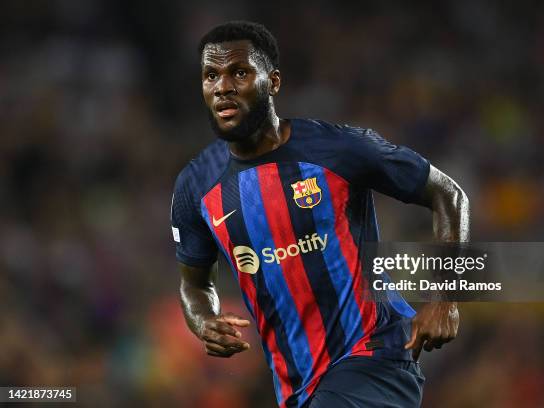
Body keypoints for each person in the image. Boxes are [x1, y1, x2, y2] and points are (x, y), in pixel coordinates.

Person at [170, 21, 469, 408]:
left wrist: (446, 297)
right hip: (299, 387)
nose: (222, 86)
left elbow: (449, 195)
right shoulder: (196, 187)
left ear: (273, 82)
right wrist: (203, 321)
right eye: (211, 75)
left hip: (376, 355)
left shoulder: (338, 148)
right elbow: (194, 283)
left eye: (239, 73)